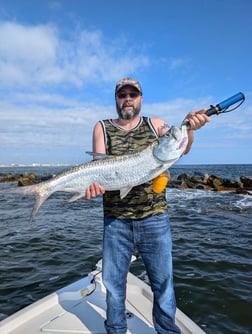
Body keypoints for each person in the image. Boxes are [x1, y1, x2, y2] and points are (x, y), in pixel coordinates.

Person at [85, 77, 210, 334]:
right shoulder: (102, 127)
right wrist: (93, 186)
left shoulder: (156, 125)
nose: (127, 98)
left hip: (155, 219)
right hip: (116, 221)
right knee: (114, 288)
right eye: (123, 94)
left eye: (133, 94)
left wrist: (190, 127)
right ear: (116, 99)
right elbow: (97, 169)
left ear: (141, 98)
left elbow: (179, 144)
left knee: (163, 287)